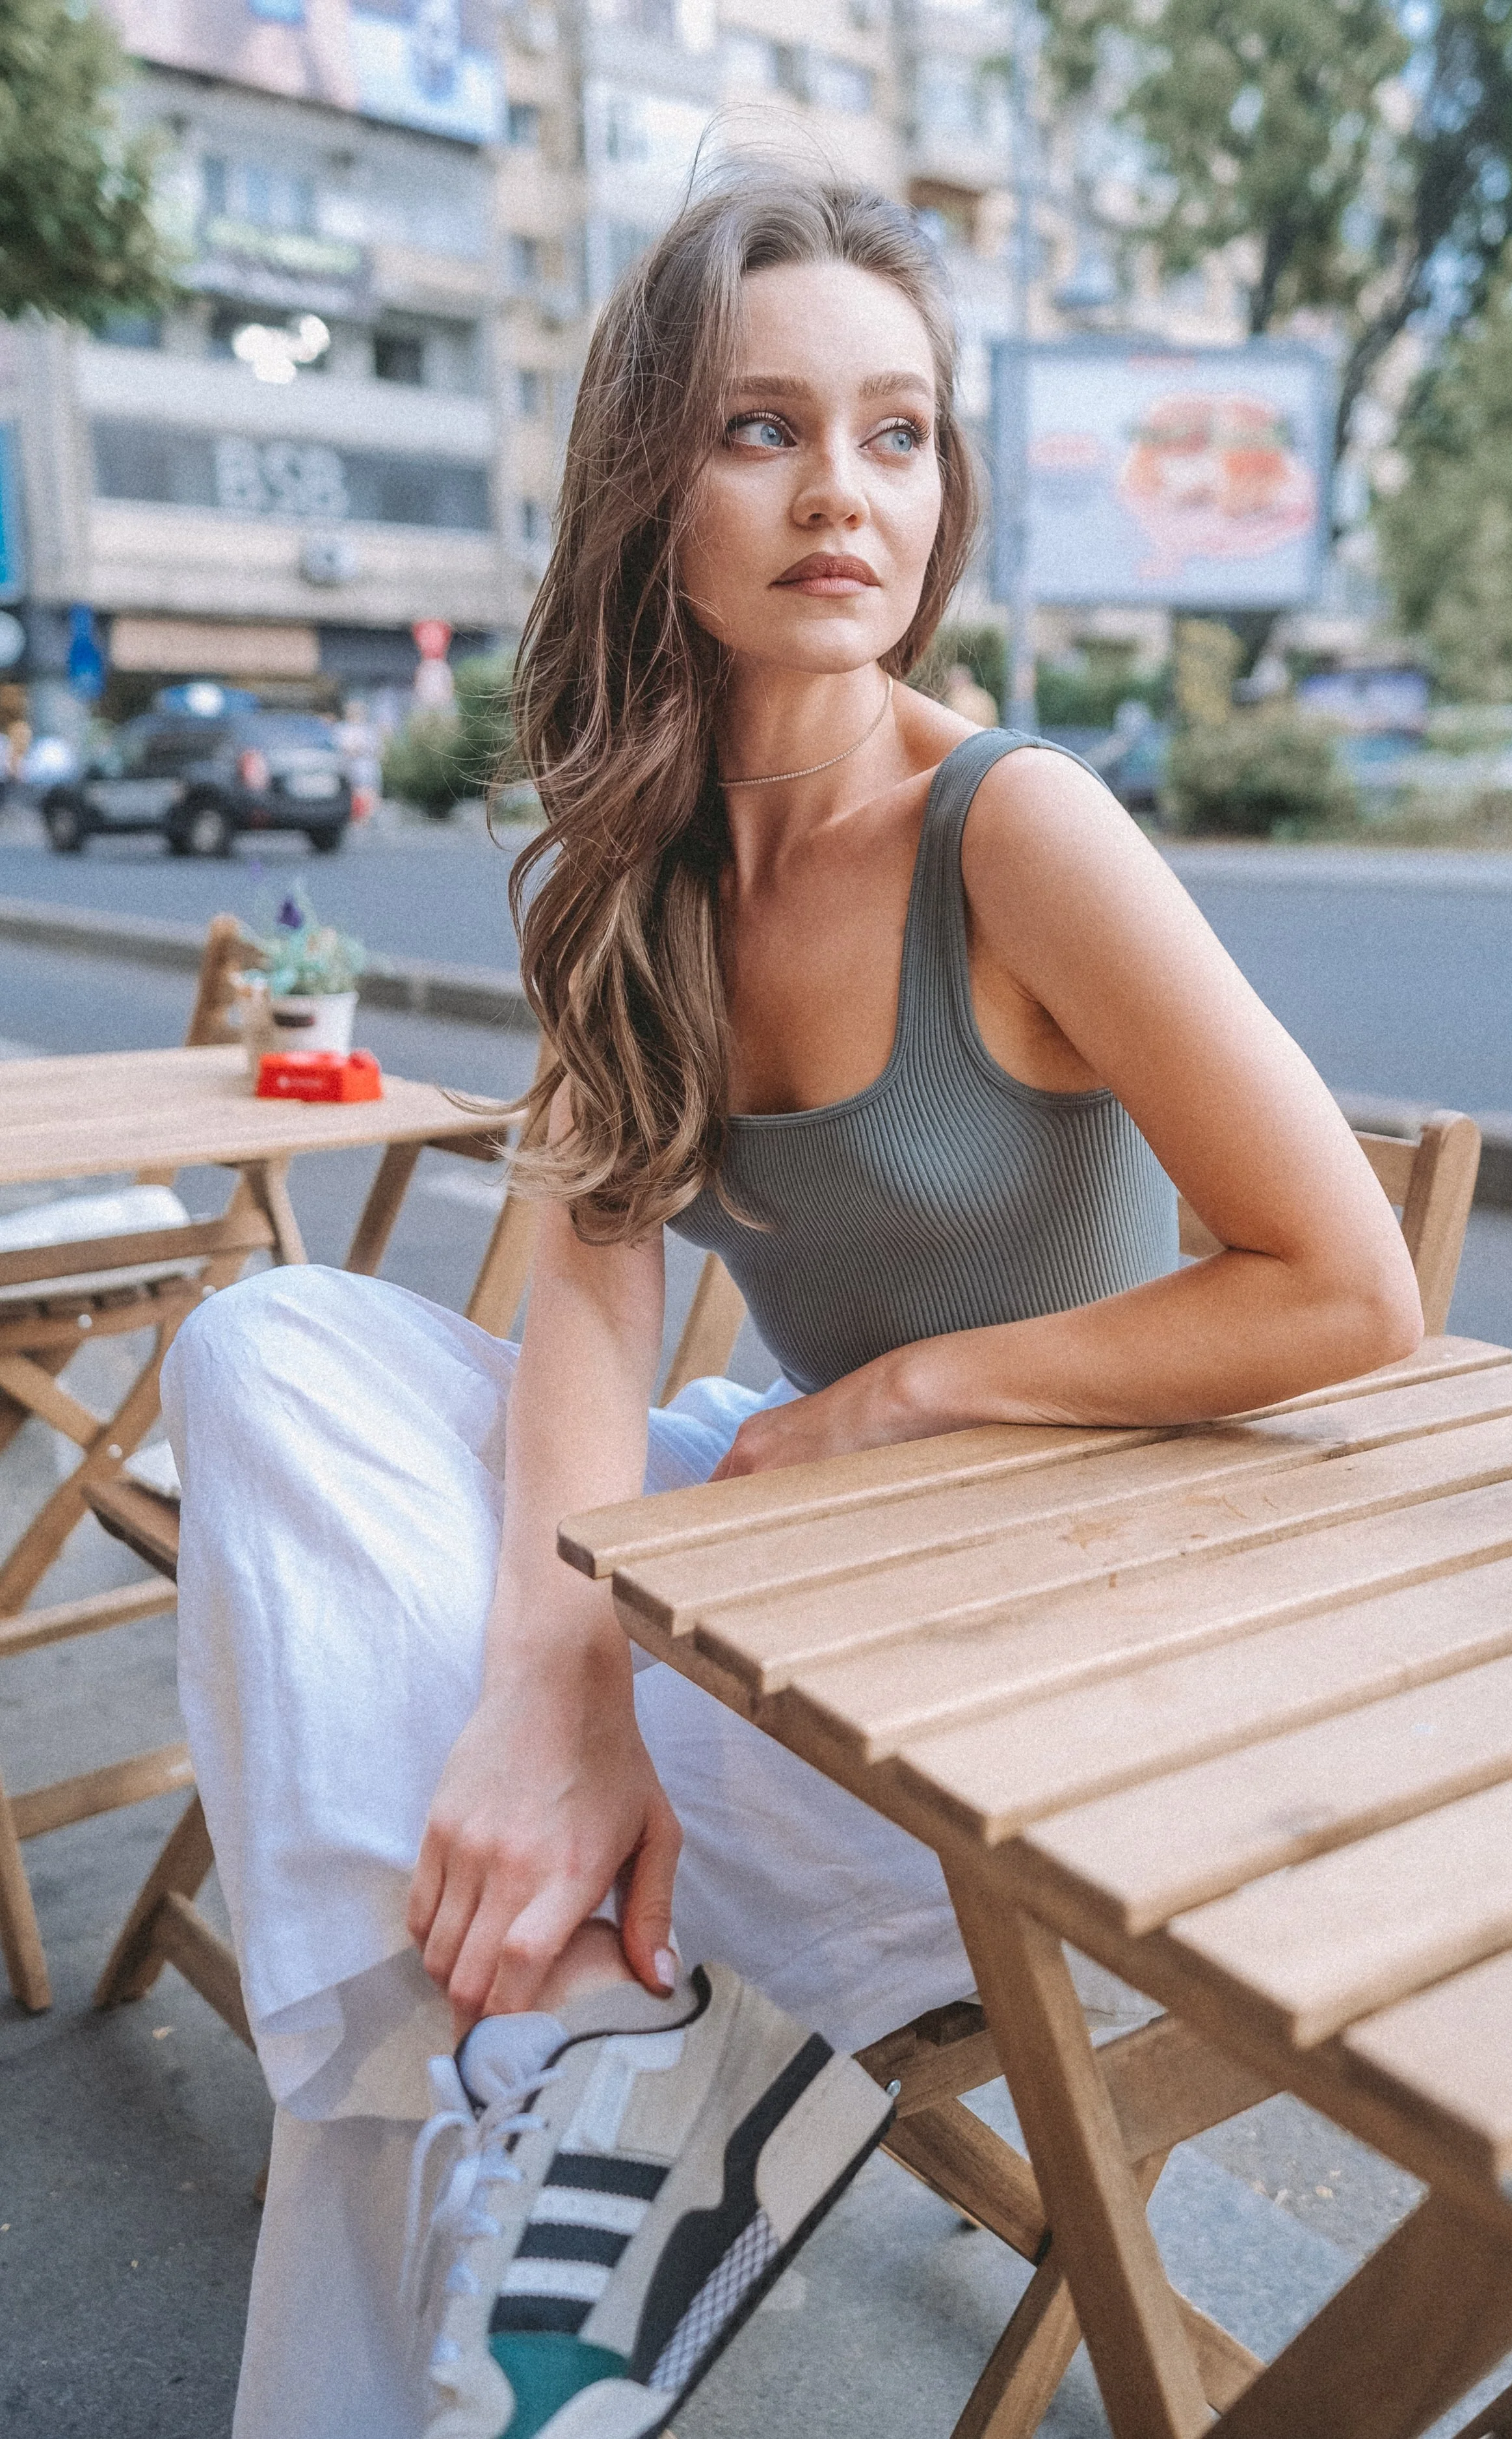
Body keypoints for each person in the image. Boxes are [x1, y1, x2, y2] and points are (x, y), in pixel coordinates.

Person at [168, 171, 1424, 2439]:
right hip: (811, 1589)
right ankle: (565, 2059)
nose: (846, 493)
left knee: (388, 1853)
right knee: (271, 1355)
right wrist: (558, 1704)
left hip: (1055, 1657)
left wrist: (915, 1388)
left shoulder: (1014, 826)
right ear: (649, 479)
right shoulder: (635, 870)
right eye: (764, 429)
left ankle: (551, 2104)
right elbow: (586, 1313)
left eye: (899, 433)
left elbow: (1343, 1286)